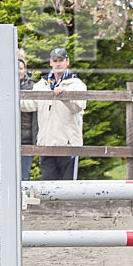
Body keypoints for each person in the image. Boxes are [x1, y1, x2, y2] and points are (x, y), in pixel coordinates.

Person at [21, 47, 87, 180]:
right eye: (55, 60)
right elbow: (29, 104)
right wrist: (9, 98)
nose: (58, 64)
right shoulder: (42, 84)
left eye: (61, 60)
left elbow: (78, 107)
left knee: (68, 189)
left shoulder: (77, 84)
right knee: (47, 189)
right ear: (50, 63)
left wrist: (64, 96)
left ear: (67, 61)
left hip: (68, 145)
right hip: (46, 145)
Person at [0, 51, 38, 181]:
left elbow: (37, 117)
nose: (18, 71)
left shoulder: (32, 87)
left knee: (24, 177)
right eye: (15, 68)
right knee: (7, 177)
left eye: (20, 68)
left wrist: (37, 141)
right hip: (5, 138)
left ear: (25, 69)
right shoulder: (1, 86)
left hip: (25, 139)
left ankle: (23, 201)